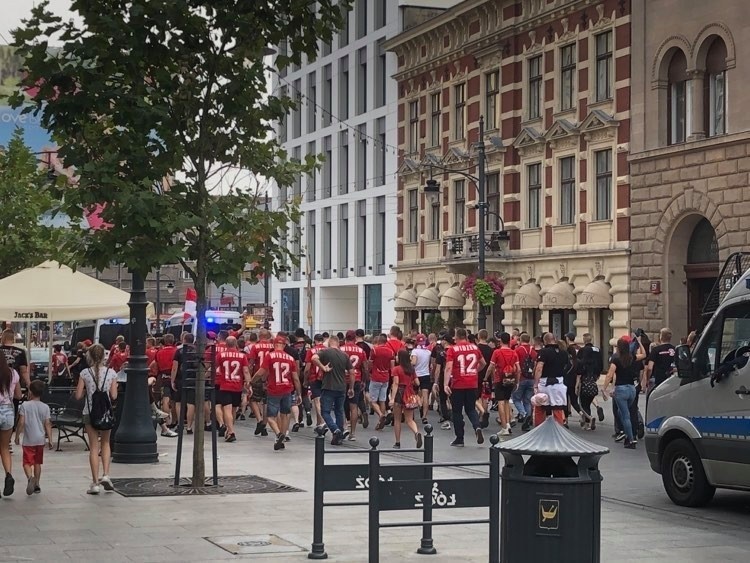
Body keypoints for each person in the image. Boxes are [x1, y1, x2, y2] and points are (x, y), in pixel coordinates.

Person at [75, 344, 118, 494]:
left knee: (94, 447)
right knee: (105, 443)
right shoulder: (111, 373)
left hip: (89, 412)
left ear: (89, 356)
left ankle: (95, 483)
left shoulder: (84, 373)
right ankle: (106, 475)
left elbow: (78, 396)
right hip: (106, 412)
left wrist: (89, 389)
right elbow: (114, 396)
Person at [254, 336, 302, 451]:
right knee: (285, 414)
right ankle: (283, 436)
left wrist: (252, 381)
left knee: (271, 417)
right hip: (287, 389)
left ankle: (278, 433)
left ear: (274, 345)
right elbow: (295, 378)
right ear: (284, 345)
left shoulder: (269, 356)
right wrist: (299, 393)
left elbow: (261, 373)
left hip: (273, 390)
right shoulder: (290, 358)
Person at [444, 328, 486, 447]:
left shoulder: (453, 349)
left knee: (457, 411)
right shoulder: (474, 347)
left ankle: (460, 438)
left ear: (456, 336)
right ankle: (477, 427)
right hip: (472, 383)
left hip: (458, 384)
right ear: (466, 336)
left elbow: (448, 367)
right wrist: (474, 371)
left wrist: (445, 384)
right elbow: (483, 363)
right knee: (471, 409)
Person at [603, 336, 646, 449]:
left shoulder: (616, 359)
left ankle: (631, 439)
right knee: (622, 412)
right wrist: (640, 343)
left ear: (619, 348)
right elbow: (644, 355)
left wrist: (604, 388)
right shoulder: (632, 357)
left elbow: (610, 375)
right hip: (632, 389)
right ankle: (628, 434)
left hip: (621, 389)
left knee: (625, 415)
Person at [312, 335, 354, 446]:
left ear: (330, 343)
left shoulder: (325, 352)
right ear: (338, 343)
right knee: (339, 411)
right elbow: (352, 372)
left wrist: (323, 367)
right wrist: (351, 387)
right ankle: (338, 436)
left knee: (325, 411)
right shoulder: (344, 355)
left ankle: (335, 429)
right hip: (341, 387)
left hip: (329, 386)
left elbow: (314, 358)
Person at [15, 380, 53, 495]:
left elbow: (21, 422)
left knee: (26, 462)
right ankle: (37, 484)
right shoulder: (45, 407)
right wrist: (50, 439)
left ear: (30, 391)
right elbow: (47, 424)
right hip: (40, 440)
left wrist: (17, 435)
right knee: (37, 463)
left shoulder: (25, 406)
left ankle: (30, 478)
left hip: (28, 440)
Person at [216, 336, 251, 443]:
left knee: (227, 409)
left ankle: (230, 431)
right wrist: (248, 384)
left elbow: (214, 368)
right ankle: (230, 430)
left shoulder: (220, 355)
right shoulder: (242, 356)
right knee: (233, 409)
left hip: (225, 385)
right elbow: (245, 371)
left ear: (226, 344)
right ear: (236, 344)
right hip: (237, 386)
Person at [485, 332, 519, 436]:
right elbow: (518, 369)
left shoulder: (497, 352)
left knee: (500, 402)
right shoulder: (514, 353)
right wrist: (517, 382)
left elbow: (491, 367)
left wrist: (486, 377)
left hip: (499, 379)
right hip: (510, 380)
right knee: (507, 401)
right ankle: (508, 423)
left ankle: (504, 426)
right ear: (509, 341)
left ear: (500, 341)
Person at [390, 350, 423, 449]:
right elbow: (417, 383)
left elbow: (396, 383)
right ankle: (416, 432)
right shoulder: (411, 369)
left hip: (400, 393)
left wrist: (392, 398)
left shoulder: (396, 369)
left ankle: (397, 442)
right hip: (410, 393)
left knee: (397, 419)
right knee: (409, 419)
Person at [533, 333, 568, 426]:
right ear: (555, 339)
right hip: (559, 383)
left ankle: (539, 431)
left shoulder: (543, 352)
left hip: (545, 383)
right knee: (557, 409)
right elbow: (566, 366)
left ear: (545, 341)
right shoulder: (563, 352)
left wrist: (536, 384)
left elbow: (539, 368)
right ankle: (559, 432)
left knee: (540, 407)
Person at [0, 352, 21, 498]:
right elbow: (18, 395)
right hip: (7, 411)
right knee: (4, 447)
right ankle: (8, 475)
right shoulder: (13, 373)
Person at [341, 331, 369, 441]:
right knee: (354, 407)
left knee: (341, 406)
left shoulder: (341, 349)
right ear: (355, 338)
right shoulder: (361, 351)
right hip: (356, 379)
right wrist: (363, 381)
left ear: (345, 338)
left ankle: (344, 427)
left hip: (342, 379)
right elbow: (365, 368)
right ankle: (353, 433)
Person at [150, 333, 178, 438]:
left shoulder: (159, 352)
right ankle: (175, 420)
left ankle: (167, 421)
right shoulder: (176, 351)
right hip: (174, 376)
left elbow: (154, 364)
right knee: (175, 400)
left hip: (163, 376)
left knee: (165, 399)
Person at [247, 329, 274, 436]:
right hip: (269, 376)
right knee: (266, 401)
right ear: (268, 337)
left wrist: (249, 378)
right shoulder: (272, 347)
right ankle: (264, 423)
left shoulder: (255, 347)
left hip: (258, 375)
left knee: (253, 398)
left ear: (259, 336)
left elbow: (251, 363)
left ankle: (259, 419)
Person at [576, 333, 605, 430]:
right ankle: (590, 415)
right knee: (589, 396)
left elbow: (579, 363)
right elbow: (601, 363)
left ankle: (588, 420)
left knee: (583, 400)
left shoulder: (582, 350)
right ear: (591, 339)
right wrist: (598, 374)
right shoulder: (597, 350)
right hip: (594, 376)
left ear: (584, 340)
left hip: (585, 376)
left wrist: (578, 377)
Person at [171, 332, 197, 434]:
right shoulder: (197, 351)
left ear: (184, 340)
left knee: (179, 402)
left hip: (181, 379)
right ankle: (189, 426)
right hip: (193, 380)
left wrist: (172, 380)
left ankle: (180, 424)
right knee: (191, 403)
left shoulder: (179, 351)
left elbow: (174, 367)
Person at [512, 333, 537, 431]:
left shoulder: (517, 350)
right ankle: (529, 416)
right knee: (527, 400)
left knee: (516, 398)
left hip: (521, 377)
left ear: (521, 340)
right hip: (531, 378)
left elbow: (515, 365)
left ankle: (523, 413)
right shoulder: (533, 351)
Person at [369, 335, 394, 431]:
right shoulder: (390, 352)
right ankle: (381, 419)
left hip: (376, 376)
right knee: (382, 400)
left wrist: (369, 371)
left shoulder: (374, 350)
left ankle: (381, 415)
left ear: (379, 341)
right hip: (386, 377)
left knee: (373, 401)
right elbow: (392, 366)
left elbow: (370, 364)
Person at [304, 334, 327, 429]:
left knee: (317, 401)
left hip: (314, 377)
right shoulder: (327, 350)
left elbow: (307, 368)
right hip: (326, 377)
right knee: (324, 400)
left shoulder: (311, 351)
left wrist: (305, 380)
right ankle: (319, 423)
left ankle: (322, 422)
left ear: (315, 341)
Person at [644, 328, 676, 396]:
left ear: (661, 337)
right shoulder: (675, 349)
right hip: (671, 380)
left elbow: (650, 368)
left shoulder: (656, 350)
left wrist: (647, 379)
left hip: (657, 380)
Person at [410, 334, 432, 425]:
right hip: (426, 374)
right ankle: (424, 416)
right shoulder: (428, 352)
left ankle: (412, 414)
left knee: (413, 394)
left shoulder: (415, 351)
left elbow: (414, 362)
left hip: (416, 375)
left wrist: (410, 361)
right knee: (425, 395)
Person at [430, 334, 452, 430]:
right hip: (454, 377)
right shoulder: (455, 351)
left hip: (444, 377)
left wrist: (435, 381)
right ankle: (454, 416)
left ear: (445, 341)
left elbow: (438, 369)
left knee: (442, 399)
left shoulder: (441, 353)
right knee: (453, 398)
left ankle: (446, 419)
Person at [474, 330, 494, 429]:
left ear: (478, 336)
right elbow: (492, 364)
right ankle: (485, 412)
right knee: (485, 396)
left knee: (476, 397)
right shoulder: (491, 350)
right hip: (488, 375)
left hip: (477, 374)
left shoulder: (476, 348)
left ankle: (481, 412)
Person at [563, 332, 581, 424]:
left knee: (565, 400)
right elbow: (579, 373)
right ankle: (583, 415)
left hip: (566, 381)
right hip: (574, 380)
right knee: (574, 401)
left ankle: (565, 420)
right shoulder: (578, 351)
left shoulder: (566, 359)